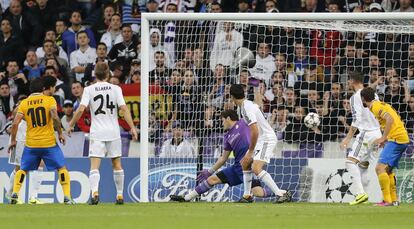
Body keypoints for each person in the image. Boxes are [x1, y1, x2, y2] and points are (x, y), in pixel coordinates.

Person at [67, 62, 138, 205]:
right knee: (117, 163)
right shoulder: (116, 88)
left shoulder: (89, 89)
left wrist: (71, 124)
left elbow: (81, 109)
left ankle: (95, 193)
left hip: (97, 132)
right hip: (113, 131)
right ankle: (119, 196)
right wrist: (132, 127)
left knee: (94, 165)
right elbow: (124, 109)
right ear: (108, 74)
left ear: (94, 74)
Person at [169, 110, 277, 202]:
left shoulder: (243, 123)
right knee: (212, 180)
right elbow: (223, 158)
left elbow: (256, 120)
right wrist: (210, 171)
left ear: (228, 118)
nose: (222, 123)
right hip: (236, 168)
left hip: (247, 166)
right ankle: (186, 198)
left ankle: (281, 193)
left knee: (258, 193)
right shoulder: (227, 136)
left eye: (222, 120)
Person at [8, 76, 74, 204]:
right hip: (48, 143)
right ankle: (67, 197)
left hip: (31, 144)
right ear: (43, 88)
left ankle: (15, 194)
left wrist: (13, 140)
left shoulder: (24, 103)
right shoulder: (49, 100)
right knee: (62, 168)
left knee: (23, 169)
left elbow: (15, 123)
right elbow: (55, 117)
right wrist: (60, 133)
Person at [229, 84, 292, 203]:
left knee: (256, 167)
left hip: (266, 139)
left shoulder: (246, 108)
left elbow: (255, 131)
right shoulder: (246, 105)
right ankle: (247, 196)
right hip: (261, 139)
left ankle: (281, 193)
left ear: (232, 96)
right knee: (245, 164)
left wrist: (250, 151)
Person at [361, 87, 410, 206]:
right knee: (387, 170)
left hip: (396, 139)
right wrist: (386, 138)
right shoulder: (380, 104)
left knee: (379, 168)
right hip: (402, 138)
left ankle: (386, 201)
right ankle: (394, 200)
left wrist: (383, 137)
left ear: (363, 99)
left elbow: (389, 119)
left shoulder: (375, 107)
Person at [340, 72, 382, 205]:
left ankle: (360, 194)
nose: (347, 83)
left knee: (350, 161)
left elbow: (356, 120)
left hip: (366, 133)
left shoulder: (354, 97)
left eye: (348, 80)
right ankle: (366, 197)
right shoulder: (373, 94)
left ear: (352, 81)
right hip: (377, 133)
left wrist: (347, 138)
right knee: (364, 165)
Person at [6, 95, 45, 204]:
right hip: (18, 139)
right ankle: (11, 194)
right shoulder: (23, 104)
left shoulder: (42, 104)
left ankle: (34, 197)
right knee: (19, 168)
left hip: (32, 139)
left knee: (40, 164)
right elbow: (15, 115)